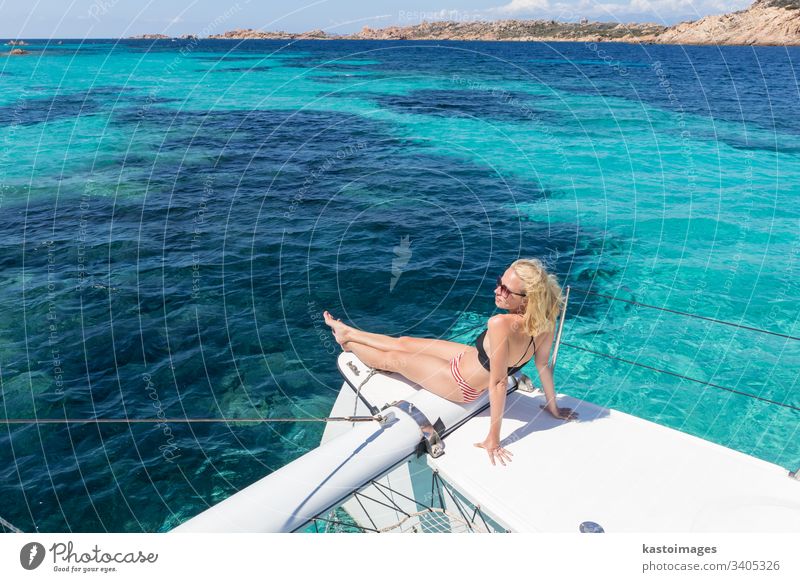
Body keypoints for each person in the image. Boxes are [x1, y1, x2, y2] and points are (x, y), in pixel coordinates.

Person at [323, 258, 578, 466]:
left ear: (526, 298)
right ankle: (350, 331)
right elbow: (543, 366)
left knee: (394, 359)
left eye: (505, 290)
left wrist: (494, 438)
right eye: (499, 283)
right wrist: (553, 407)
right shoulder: (545, 321)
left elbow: (499, 382)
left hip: (461, 383)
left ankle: (348, 345)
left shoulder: (500, 323)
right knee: (405, 341)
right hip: (470, 357)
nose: (496, 290)